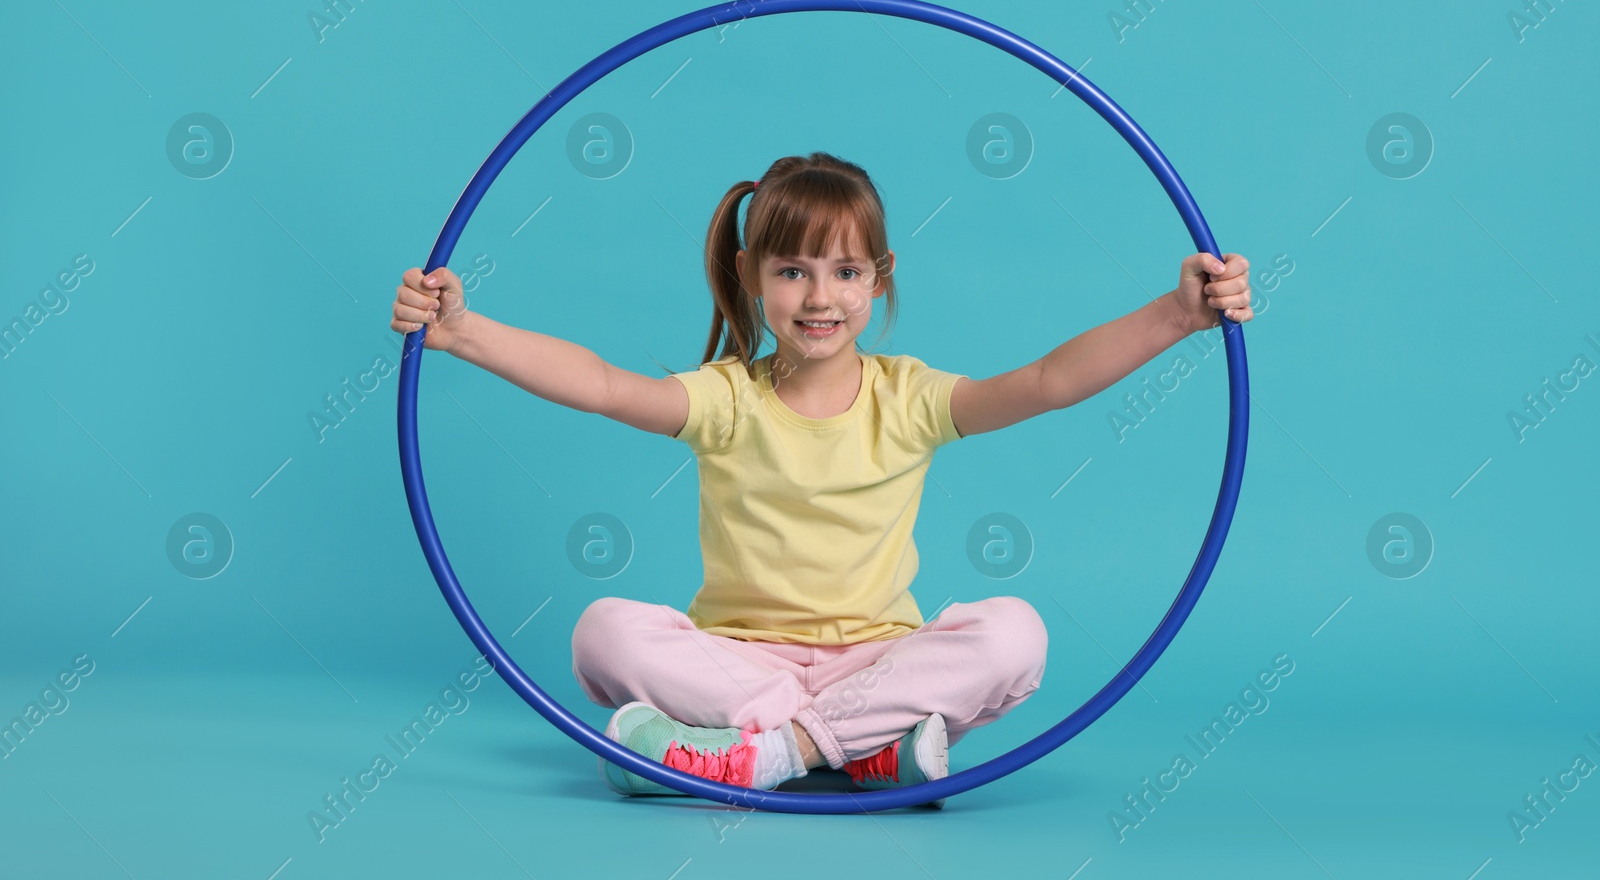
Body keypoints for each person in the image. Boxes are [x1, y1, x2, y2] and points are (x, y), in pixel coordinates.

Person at [390, 151, 1254, 806]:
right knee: (601, 632)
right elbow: (606, 385)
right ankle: (862, 751)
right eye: (792, 270)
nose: (820, 296)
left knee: (1016, 632)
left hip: (879, 660)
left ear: (879, 280)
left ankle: (759, 754)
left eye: (845, 271)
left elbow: (1046, 381)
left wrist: (1177, 314)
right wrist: (467, 334)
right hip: (737, 661)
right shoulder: (727, 397)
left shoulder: (908, 396)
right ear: (751, 278)